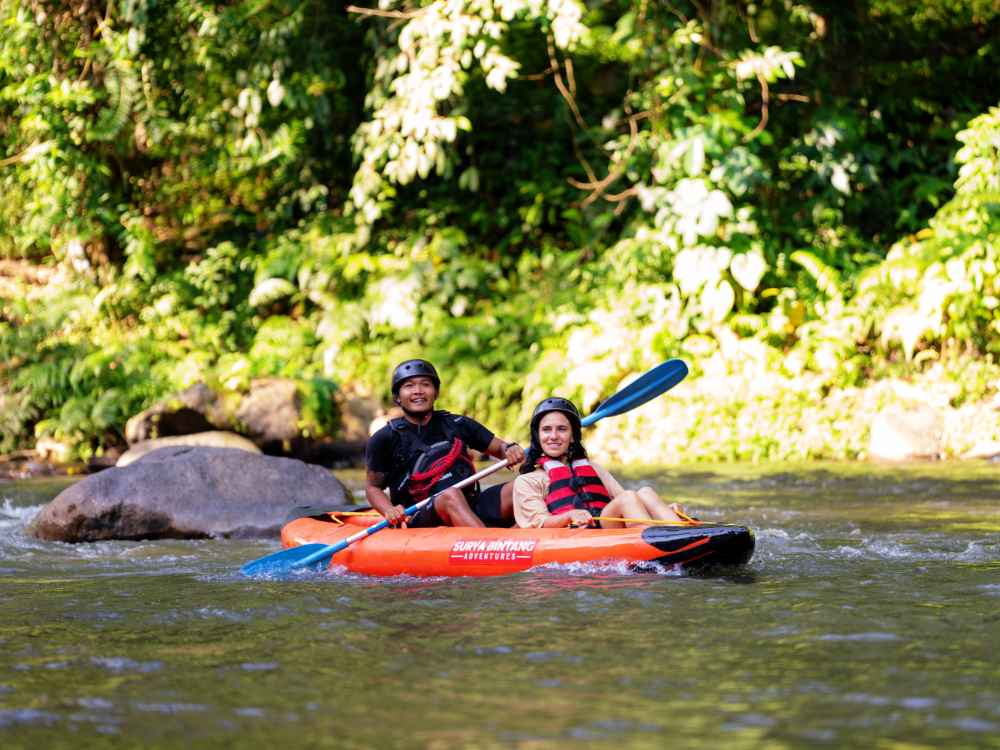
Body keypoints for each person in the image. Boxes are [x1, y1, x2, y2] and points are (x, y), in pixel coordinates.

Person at [366, 359, 525, 528]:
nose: (418, 391)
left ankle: (518, 538)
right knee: (450, 495)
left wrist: (510, 449)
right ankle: (490, 546)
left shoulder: (458, 424)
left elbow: (500, 448)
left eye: (425, 384)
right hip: (419, 515)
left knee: (524, 485)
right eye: (409, 386)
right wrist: (389, 510)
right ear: (397, 397)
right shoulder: (384, 438)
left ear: (435, 392)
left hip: (470, 506)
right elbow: (372, 488)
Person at [512, 397, 692, 529]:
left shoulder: (593, 468)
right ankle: (660, 542)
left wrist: (662, 511)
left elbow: (628, 500)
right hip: (571, 534)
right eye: (546, 430)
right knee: (628, 498)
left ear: (573, 436)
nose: (553, 436)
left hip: (604, 523)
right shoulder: (528, 481)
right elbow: (539, 525)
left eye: (562, 429)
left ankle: (675, 528)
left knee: (645, 492)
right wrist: (569, 516)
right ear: (538, 436)